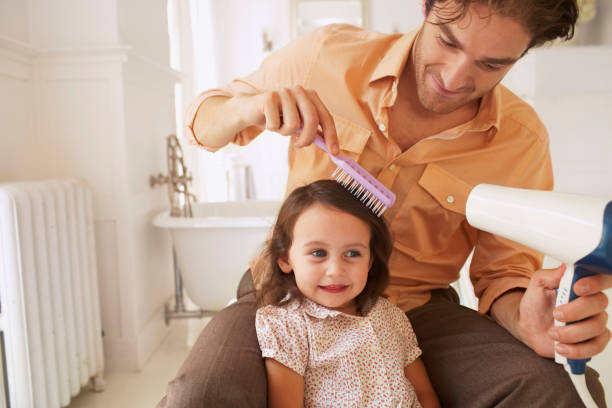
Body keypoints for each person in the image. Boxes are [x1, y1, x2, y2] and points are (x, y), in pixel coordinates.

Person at [158, 0, 611, 406]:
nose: (455, 78)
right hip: (284, 295)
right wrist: (248, 108)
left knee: (558, 390)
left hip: (417, 310)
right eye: (447, 42)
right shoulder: (326, 56)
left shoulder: (519, 139)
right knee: (201, 396)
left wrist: (528, 322)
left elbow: (502, 274)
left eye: (491, 64)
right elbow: (203, 120)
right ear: (427, 6)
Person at [254, 179, 440, 408]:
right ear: (285, 259)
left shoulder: (390, 316)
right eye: (318, 252)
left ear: (370, 261)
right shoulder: (287, 326)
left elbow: (424, 392)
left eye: (352, 253)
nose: (335, 271)